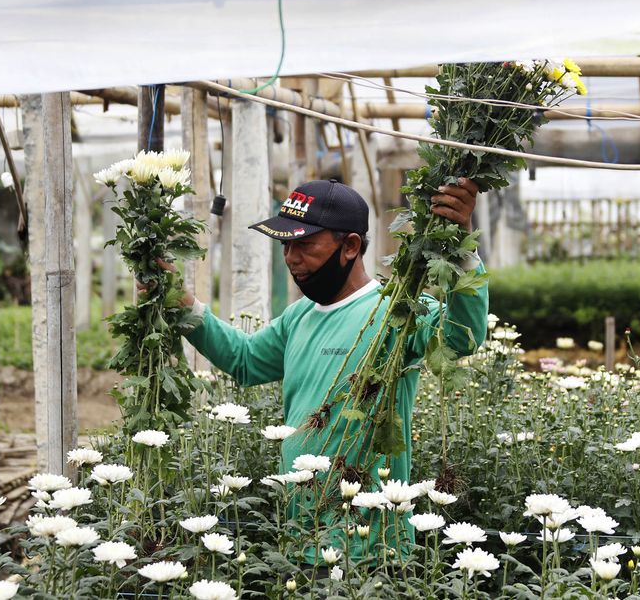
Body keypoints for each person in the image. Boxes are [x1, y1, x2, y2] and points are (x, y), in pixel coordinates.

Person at [177, 177, 488, 561]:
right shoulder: (299, 317)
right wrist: (183, 305)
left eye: (304, 244)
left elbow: (463, 337)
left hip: (370, 544)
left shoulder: (400, 312)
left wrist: (463, 248)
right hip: (299, 535)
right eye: (285, 245)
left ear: (350, 246)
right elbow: (244, 360)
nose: (291, 258)